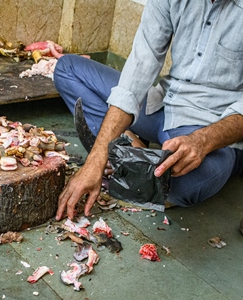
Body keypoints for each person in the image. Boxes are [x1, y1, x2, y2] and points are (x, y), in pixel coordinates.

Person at [53, 0, 243, 223]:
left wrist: (202, 141)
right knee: (68, 69)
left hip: (210, 124)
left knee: (183, 187)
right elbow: (140, 66)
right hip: (164, 102)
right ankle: (133, 148)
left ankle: (136, 159)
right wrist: (96, 159)